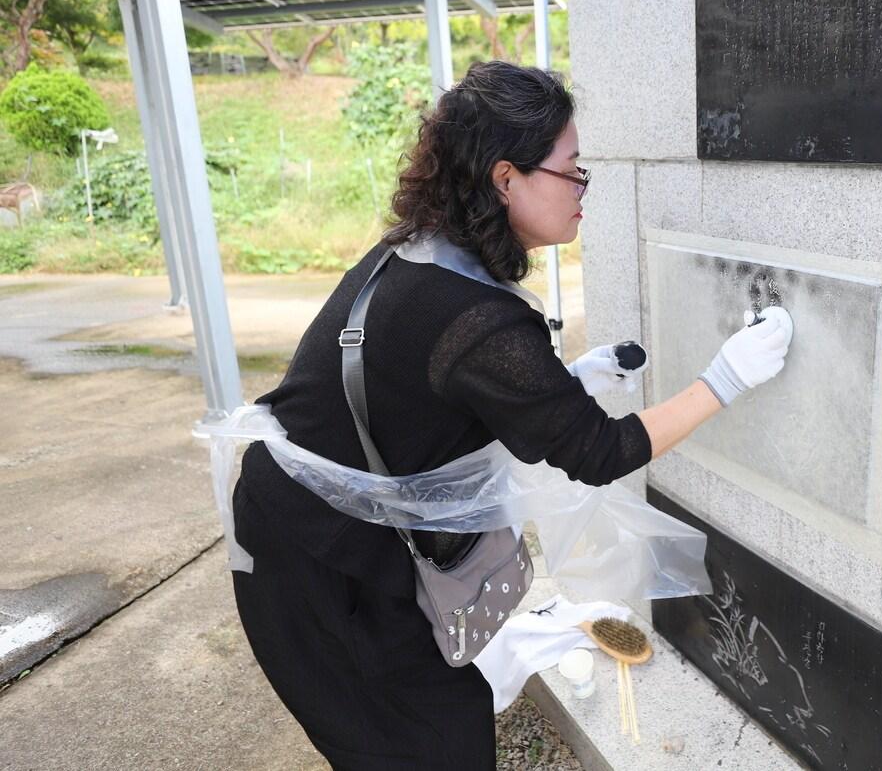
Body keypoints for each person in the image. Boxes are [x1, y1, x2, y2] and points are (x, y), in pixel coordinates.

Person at [229, 60, 792, 769]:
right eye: (572, 169)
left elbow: (442, 391)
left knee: (437, 722)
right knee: (424, 742)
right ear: (505, 179)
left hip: (323, 531)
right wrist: (725, 377)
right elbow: (599, 452)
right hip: (313, 564)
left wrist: (563, 381)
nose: (584, 190)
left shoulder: (423, 254)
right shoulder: (476, 320)